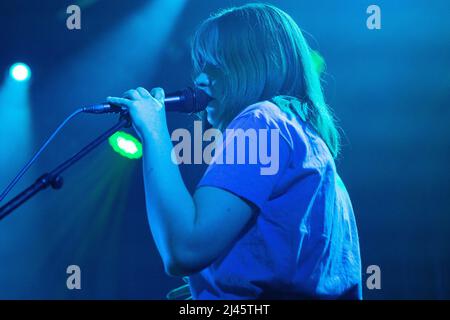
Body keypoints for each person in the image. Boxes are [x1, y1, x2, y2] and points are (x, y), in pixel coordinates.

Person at [107, 3, 362, 300]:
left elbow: (184, 249)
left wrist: (154, 133)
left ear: (254, 63)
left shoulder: (262, 120)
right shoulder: (309, 141)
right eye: (200, 66)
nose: (200, 79)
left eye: (214, 65)